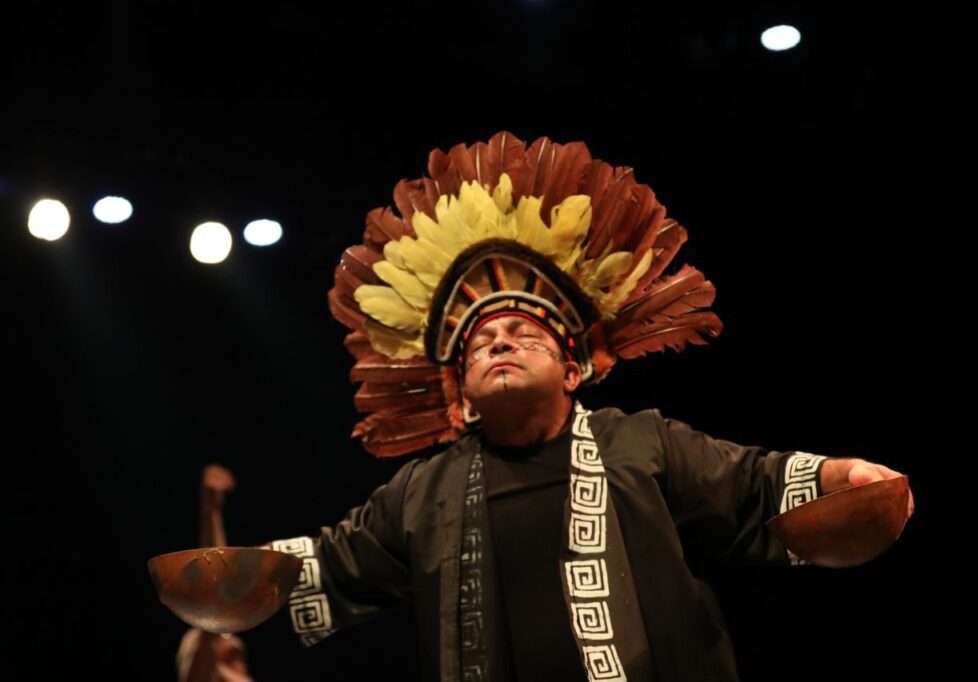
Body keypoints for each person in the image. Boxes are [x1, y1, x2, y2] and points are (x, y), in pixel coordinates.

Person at [261, 132, 914, 681]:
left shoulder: (641, 442)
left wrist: (842, 477)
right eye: (480, 344)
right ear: (462, 395)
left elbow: (751, 485)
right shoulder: (420, 491)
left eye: (523, 334)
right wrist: (233, 581)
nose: (499, 344)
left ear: (574, 369)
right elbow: (334, 564)